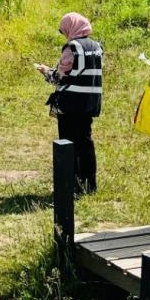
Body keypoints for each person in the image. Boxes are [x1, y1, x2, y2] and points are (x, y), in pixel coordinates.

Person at [35, 12, 102, 195]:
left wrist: (46, 71)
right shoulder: (96, 46)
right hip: (89, 103)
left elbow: (61, 77)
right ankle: (89, 185)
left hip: (71, 103)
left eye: (64, 30)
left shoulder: (72, 47)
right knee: (85, 143)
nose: (64, 34)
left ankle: (71, 185)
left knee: (68, 144)